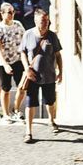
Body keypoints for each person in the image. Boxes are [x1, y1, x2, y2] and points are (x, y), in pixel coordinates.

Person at [19, 7, 63, 143]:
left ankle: (51, 120)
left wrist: (61, 72)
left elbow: (58, 55)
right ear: (35, 20)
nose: (45, 23)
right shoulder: (28, 34)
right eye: (43, 21)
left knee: (50, 102)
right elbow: (23, 53)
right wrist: (27, 69)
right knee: (30, 104)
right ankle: (29, 132)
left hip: (49, 75)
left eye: (47, 20)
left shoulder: (52, 36)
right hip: (33, 76)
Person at [0, 2, 27, 123]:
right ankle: (6, 114)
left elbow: (25, 40)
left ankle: (16, 109)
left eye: (13, 12)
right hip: (3, 62)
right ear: (2, 14)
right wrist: (5, 65)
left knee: (22, 86)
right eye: (9, 12)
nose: (12, 14)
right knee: (5, 88)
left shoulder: (18, 25)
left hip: (17, 60)